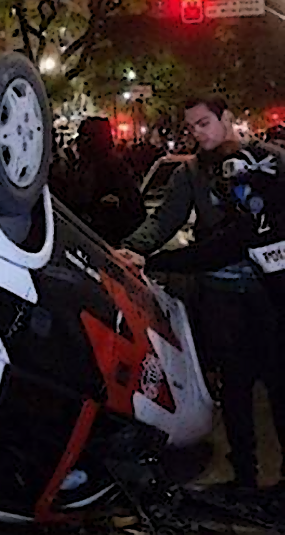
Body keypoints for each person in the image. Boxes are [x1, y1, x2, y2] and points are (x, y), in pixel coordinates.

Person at [116, 97, 285, 491]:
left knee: (279, 382)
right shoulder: (190, 172)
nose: (197, 133)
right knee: (234, 384)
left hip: (268, 294)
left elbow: (237, 239)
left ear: (227, 118)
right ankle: (244, 475)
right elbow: (165, 220)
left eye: (204, 123)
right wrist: (134, 249)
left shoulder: (271, 163)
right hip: (220, 295)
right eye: (191, 127)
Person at [50, 118, 145, 245]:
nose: (80, 141)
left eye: (85, 136)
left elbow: (133, 210)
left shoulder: (112, 167)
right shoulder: (81, 165)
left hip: (103, 239)